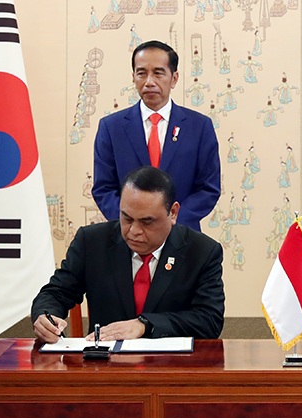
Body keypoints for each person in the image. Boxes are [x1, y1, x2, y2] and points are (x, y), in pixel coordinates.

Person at [32, 167, 225, 343]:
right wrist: (45, 316)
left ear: (173, 213)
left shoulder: (202, 252)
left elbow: (209, 321)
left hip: (171, 369)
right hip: (107, 368)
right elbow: (56, 293)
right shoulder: (92, 242)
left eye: (147, 222)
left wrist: (144, 325)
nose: (134, 230)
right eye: (127, 218)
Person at [92, 40, 221, 231]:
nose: (149, 82)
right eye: (142, 73)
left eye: (158, 73)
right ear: (134, 77)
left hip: (182, 237)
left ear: (174, 78)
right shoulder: (112, 127)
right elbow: (103, 189)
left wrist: (170, 222)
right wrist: (132, 223)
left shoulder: (199, 127)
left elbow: (208, 189)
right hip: (129, 238)